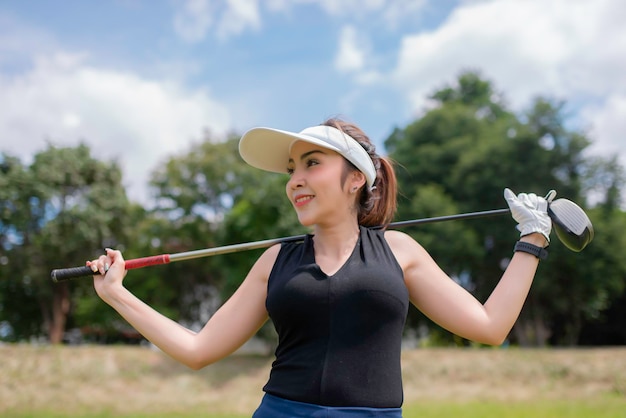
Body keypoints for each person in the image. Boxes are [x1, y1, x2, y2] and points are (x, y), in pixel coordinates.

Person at [88, 118, 555, 417]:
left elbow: (491, 327)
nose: (295, 181)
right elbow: (198, 350)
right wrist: (116, 294)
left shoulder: (401, 250)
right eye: (292, 169)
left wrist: (531, 238)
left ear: (356, 178)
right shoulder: (274, 260)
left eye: (311, 164)